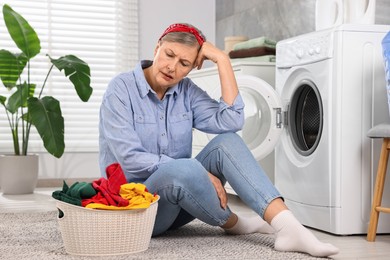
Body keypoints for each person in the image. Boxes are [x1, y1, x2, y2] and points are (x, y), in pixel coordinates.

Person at [99, 23, 339, 257]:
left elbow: (232, 121)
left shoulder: (186, 91)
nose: (172, 67)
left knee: (227, 142)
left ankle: (289, 227)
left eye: (184, 63)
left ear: (193, 67)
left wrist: (223, 60)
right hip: (139, 211)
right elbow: (130, 159)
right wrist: (198, 171)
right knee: (182, 168)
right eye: (169, 54)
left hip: (182, 204)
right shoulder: (120, 89)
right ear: (157, 47)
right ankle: (238, 224)